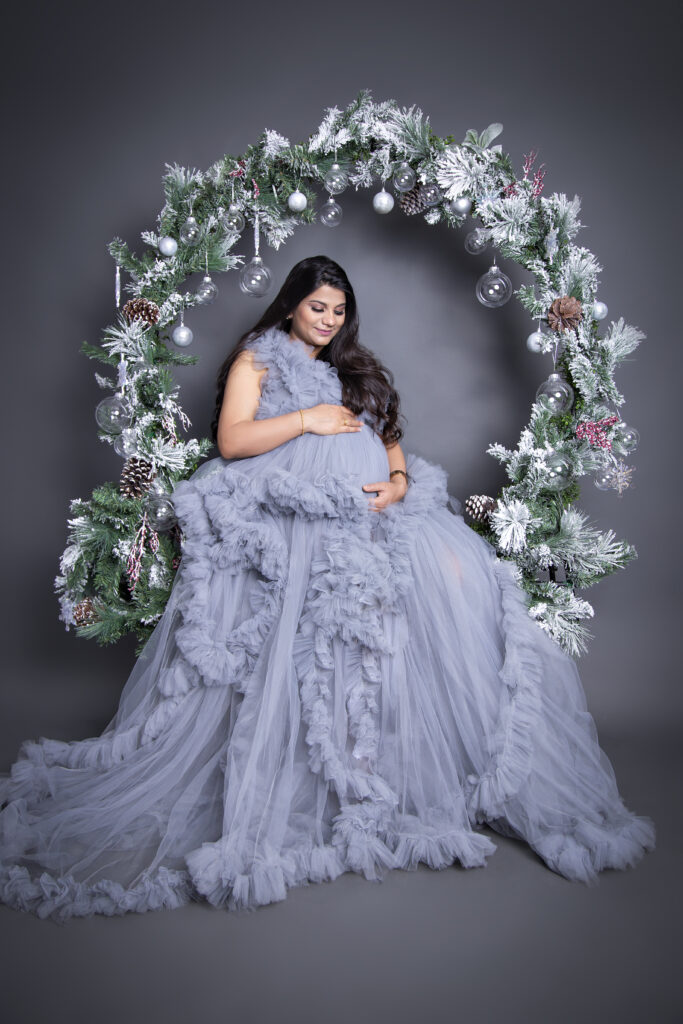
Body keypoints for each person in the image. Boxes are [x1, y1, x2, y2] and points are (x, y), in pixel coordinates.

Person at [0, 255, 655, 923]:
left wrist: (397, 484)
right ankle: (299, 767)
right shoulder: (259, 358)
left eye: (339, 311)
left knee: (455, 581)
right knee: (312, 632)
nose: (328, 321)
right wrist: (306, 422)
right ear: (290, 304)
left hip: (369, 516)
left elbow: (392, 440)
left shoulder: (353, 366)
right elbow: (231, 440)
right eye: (318, 308)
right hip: (292, 514)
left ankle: (393, 760)